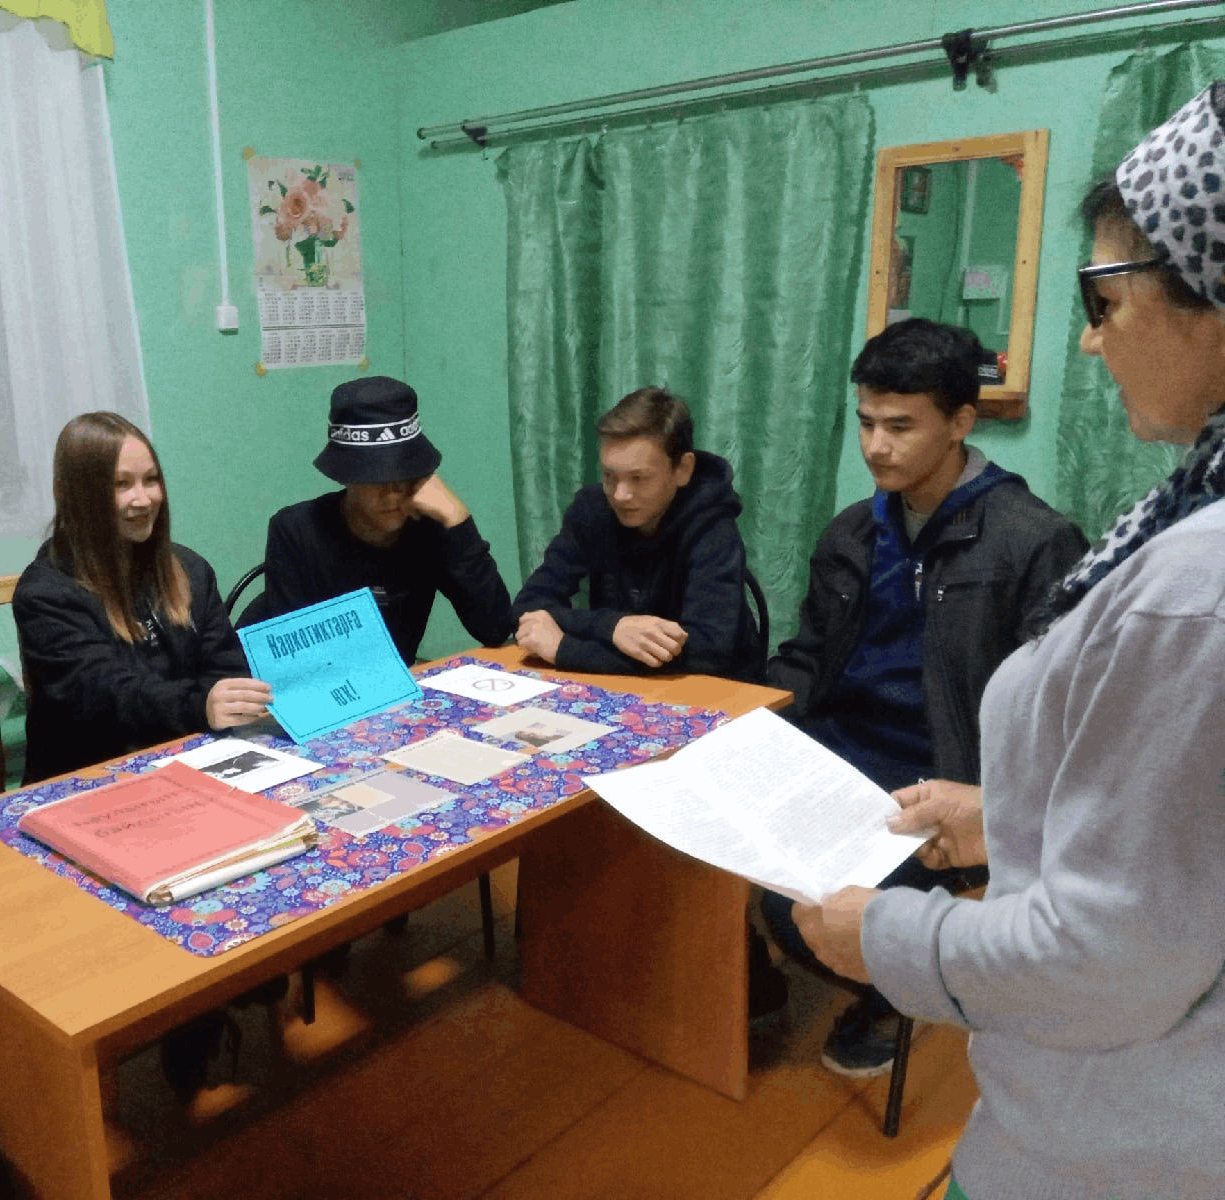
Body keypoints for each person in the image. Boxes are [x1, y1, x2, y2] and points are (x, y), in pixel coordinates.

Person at [799, 84, 1225, 1200]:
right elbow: (1179, 825)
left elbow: (1111, 953)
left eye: (1103, 297)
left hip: (1122, 1140)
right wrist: (1003, 815)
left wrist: (889, 938)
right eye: (865, 423)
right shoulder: (852, 533)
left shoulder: (1175, 579)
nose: (1089, 338)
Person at [759, 320, 1087, 1076]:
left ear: (961, 422)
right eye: (867, 423)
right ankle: (745, 982)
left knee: (805, 904)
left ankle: (892, 991)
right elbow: (810, 657)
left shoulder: (1034, 542)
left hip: (947, 778)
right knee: (716, 843)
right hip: (844, 753)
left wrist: (996, 805)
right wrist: (750, 722)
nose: (876, 447)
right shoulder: (853, 533)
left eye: (900, 426)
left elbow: (1059, 716)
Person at [14, 411, 271, 784]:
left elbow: (226, 670)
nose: (144, 498)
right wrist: (200, 705)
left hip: (194, 759)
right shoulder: (44, 593)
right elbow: (107, 696)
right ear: (72, 494)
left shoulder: (191, 569)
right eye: (121, 484)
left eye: (151, 480)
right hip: (90, 779)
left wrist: (227, 701)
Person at [512, 386, 762, 678]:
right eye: (609, 476)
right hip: (625, 684)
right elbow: (527, 608)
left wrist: (566, 649)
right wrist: (613, 627)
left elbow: (707, 651)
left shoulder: (713, 525)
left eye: (638, 478)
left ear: (683, 469)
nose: (620, 495)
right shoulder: (591, 511)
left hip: (719, 690)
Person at [261, 376, 512, 663]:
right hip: (324, 683)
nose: (393, 494)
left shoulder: (428, 527)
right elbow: (291, 658)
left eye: (405, 474)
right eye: (376, 478)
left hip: (399, 683)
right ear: (347, 476)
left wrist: (459, 521)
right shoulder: (295, 529)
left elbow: (495, 628)